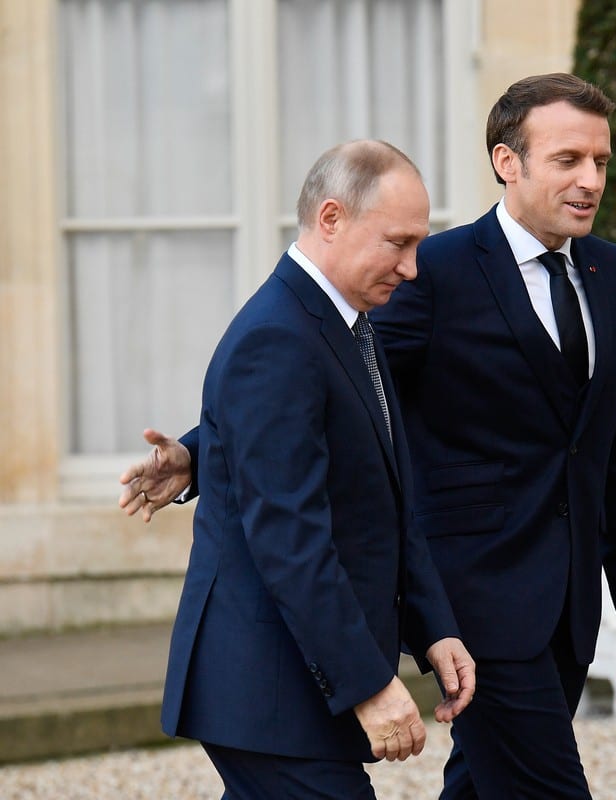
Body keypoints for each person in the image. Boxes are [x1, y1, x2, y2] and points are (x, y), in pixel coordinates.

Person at [121, 74, 616, 799]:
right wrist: (199, 450)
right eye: (568, 159)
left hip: (565, 603)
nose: (590, 179)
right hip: (478, 597)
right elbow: (301, 393)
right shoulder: (434, 270)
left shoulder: (611, 272)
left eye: (601, 161)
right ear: (510, 162)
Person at [130, 141, 475, 799]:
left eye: (418, 246)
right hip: (272, 695)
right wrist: (371, 686)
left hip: (282, 695)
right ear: (331, 218)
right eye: (397, 244)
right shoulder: (278, 338)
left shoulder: (346, 321)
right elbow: (293, 542)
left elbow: (382, 497)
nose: (411, 268)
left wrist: (436, 628)